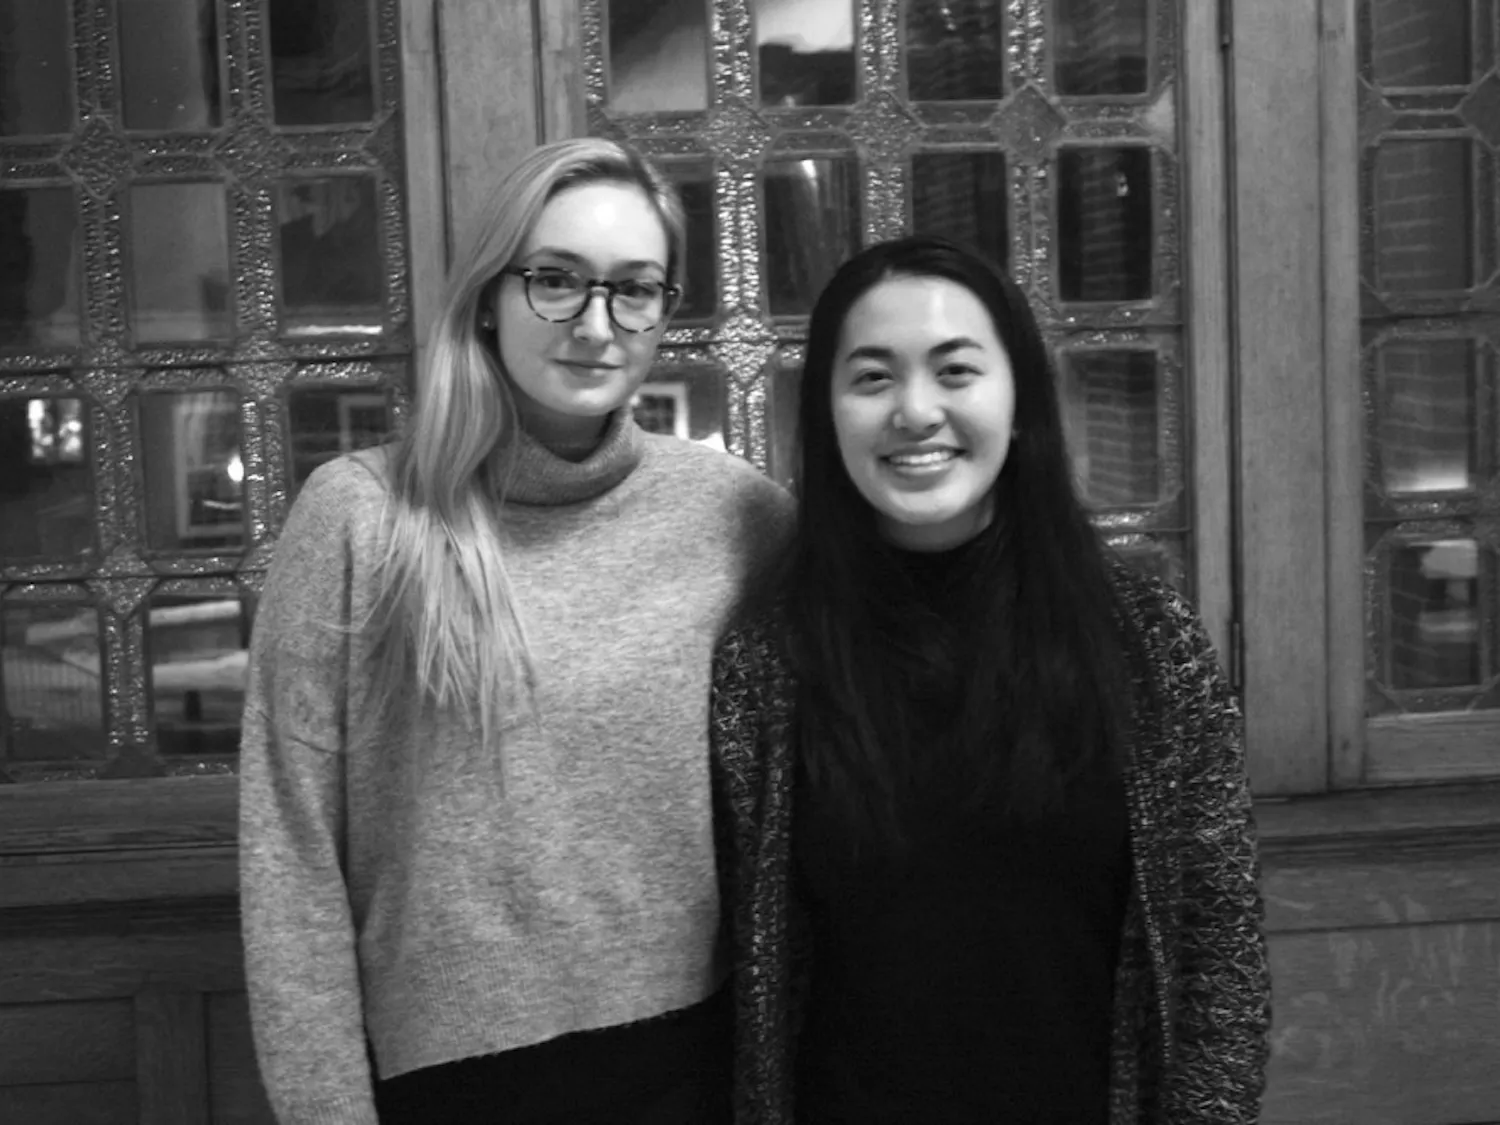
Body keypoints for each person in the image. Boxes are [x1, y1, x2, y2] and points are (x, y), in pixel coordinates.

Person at [238, 137, 792, 1125]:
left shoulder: (733, 514)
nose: (596, 324)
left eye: (635, 288)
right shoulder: (362, 516)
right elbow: (292, 859)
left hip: (690, 1065)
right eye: (557, 280)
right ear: (490, 296)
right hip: (451, 1082)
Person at [712, 235, 1271, 1124]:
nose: (915, 410)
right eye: (872, 378)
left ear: (1019, 402)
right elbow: (740, 973)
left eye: (956, 371)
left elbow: (1220, 952)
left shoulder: (1148, 643)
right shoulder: (767, 662)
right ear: (827, 415)